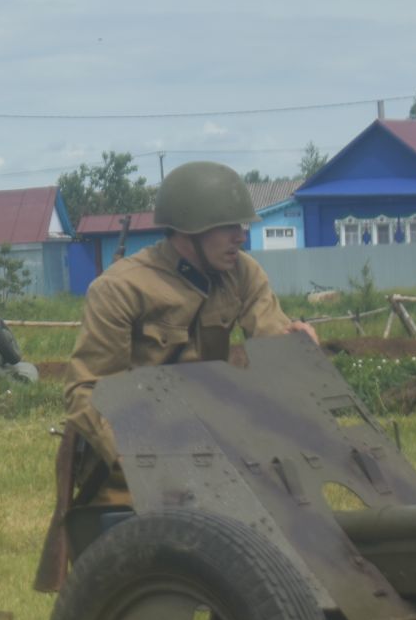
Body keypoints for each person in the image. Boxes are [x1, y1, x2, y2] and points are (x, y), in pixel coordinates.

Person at [63, 161, 319, 474]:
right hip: (137, 449)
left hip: (216, 441)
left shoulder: (241, 273)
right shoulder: (121, 288)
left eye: (242, 226)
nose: (240, 237)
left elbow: (272, 340)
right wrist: (136, 457)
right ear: (188, 230)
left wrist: (295, 347)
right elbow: (87, 390)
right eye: (229, 227)